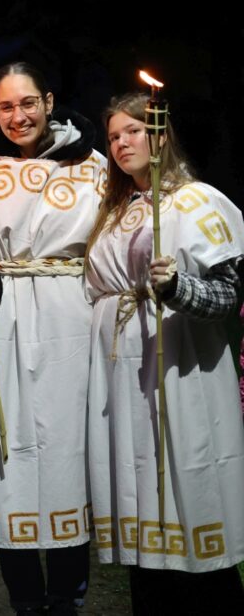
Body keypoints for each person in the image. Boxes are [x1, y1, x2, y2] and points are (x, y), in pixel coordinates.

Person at [0, 62, 106, 615]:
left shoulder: (92, 168)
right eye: (6, 106)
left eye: (28, 103)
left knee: (66, 457)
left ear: (50, 101)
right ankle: (25, 603)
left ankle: (67, 600)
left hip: (68, 321)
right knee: (3, 459)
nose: (18, 116)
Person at [85, 92, 244, 614]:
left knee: (188, 499)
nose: (122, 143)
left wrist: (178, 289)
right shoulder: (112, 213)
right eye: (112, 136)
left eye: (132, 130)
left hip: (182, 370)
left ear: (159, 133)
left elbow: (228, 296)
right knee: (142, 519)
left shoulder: (198, 201)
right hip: (124, 377)